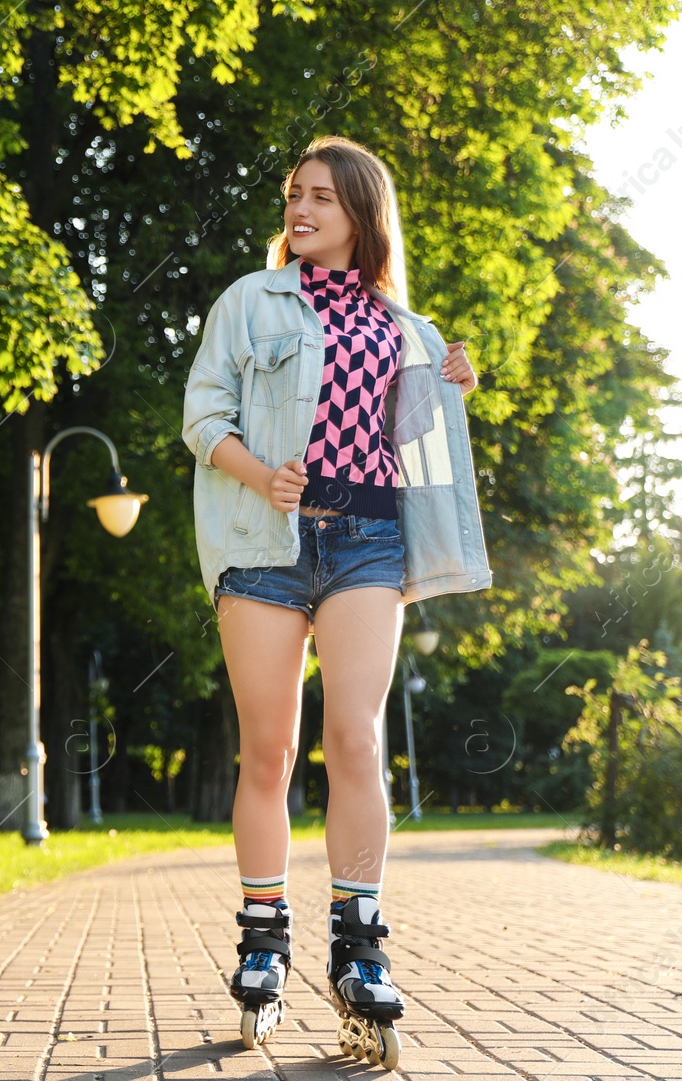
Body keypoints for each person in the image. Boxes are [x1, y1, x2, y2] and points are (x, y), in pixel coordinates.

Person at [179, 134, 490, 1067]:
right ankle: (263, 937)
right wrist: (258, 474)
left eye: (320, 196)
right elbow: (203, 414)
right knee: (267, 749)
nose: (300, 209)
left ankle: (359, 945)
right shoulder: (249, 301)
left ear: (361, 211)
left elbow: (416, 445)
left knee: (353, 736)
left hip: (368, 541)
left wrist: (451, 386)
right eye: (292, 195)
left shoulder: (410, 329)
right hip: (264, 545)